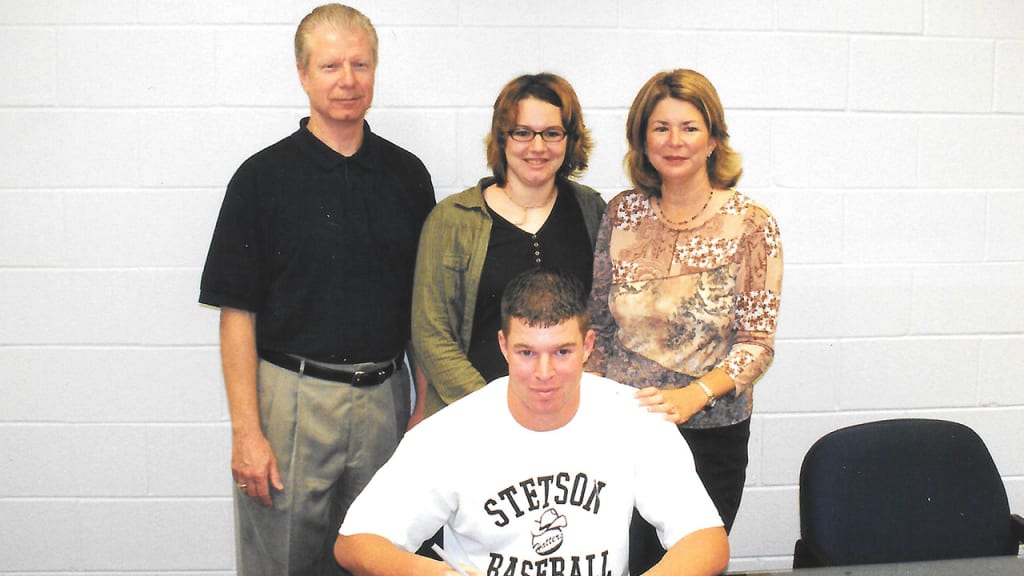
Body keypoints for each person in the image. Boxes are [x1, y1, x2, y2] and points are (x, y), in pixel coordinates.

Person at [198, 5, 435, 575]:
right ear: (303, 74)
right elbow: (237, 316)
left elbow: (422, 309)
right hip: (290, 402)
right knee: (283, 562)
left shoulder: (408, 177)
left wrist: (423, 406)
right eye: (330, 65)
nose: (347, 80)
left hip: (385, 400)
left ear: (375, 71)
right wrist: (247, 432)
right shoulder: (262, 178)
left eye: (360, 64)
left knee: (381, 556)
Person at [335, 268, 729, 576]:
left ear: (588, 346)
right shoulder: (450, 433)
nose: (544, 372)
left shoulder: (635, 419)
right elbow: (356, 543)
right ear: (504, 346)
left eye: (561, 351)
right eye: (526, 352)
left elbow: (707, 540)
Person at [585, 69, 782, 572]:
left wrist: (693, 396)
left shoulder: (752, 224)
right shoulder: (622, 213)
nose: (675, 142)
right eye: (660, 128)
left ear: (713, 138)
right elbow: (599, 328)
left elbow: (756, 344)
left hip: (709, 435)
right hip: (624, 434)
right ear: (642, 138)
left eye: (690, 128)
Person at [412, 73, 606, 419]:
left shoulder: (592, 210)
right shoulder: (453, 220)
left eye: (552, 133)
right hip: (473, 418)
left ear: (569, 139)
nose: (537, 147)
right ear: (502, 139)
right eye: (522, 132)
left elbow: (604, 316)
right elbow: (431, 333)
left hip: (567, 416)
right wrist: (496, 411)